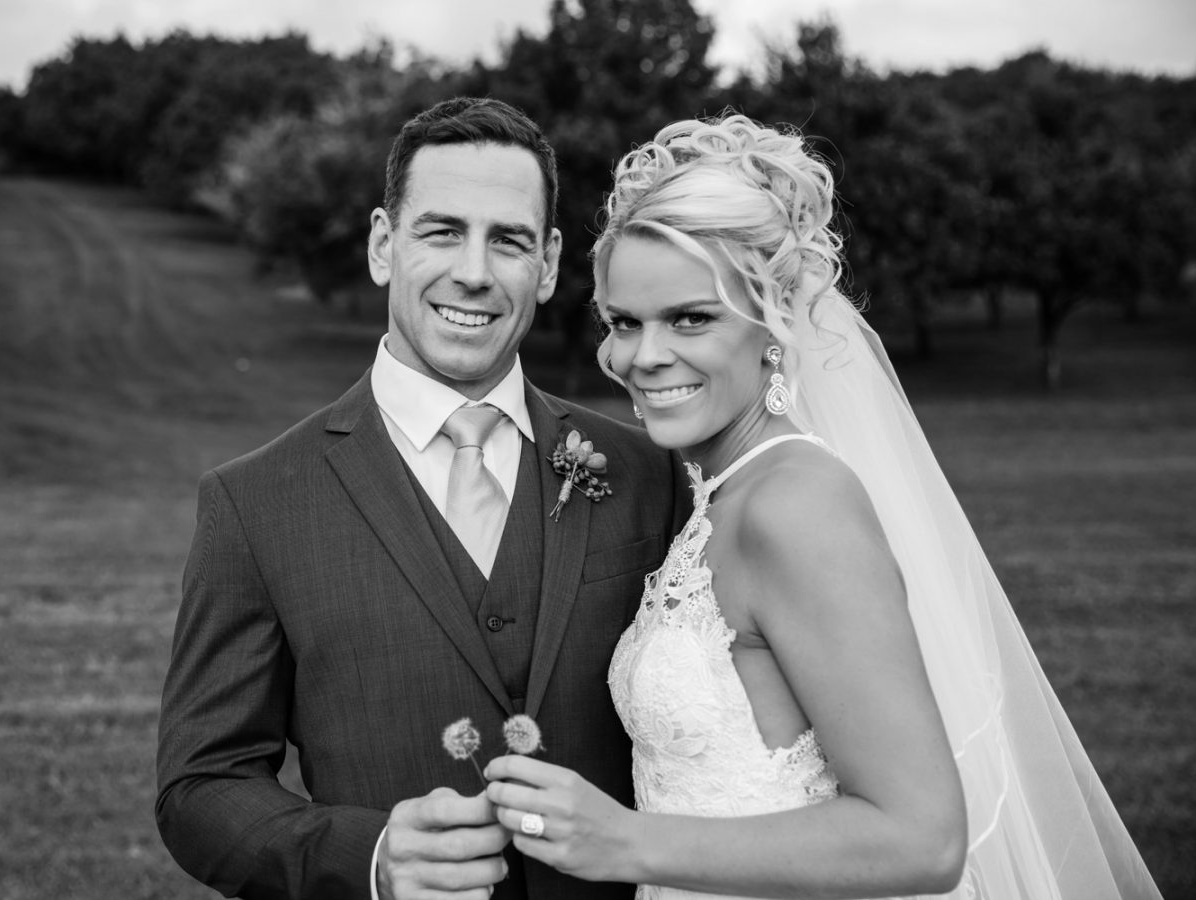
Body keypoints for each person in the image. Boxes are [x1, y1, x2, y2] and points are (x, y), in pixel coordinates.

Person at [484, 114, 1162, 899]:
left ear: (771, 319)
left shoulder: (796, 504)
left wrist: (629, 843)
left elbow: (923, 839)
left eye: (691, 318)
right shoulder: (722, 493)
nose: (645, 356)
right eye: (623, 323)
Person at [155, 97, 688, 900]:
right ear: (383, 245)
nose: (474, 271)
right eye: (442, 231)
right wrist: (369, 859)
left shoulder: (651, 473)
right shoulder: (254, 504)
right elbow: (200, 787)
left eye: (508, 240)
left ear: (547, 265)